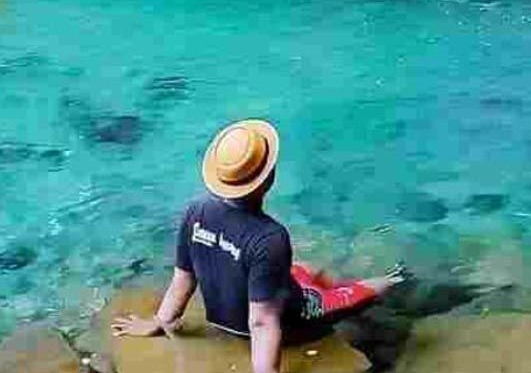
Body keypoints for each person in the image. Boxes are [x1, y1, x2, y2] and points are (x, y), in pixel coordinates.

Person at [111, 119, 408, 373]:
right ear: (268, 180)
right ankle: (400, 278)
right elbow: (263, 323)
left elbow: (183, 278)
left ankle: (323, 285)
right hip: (291, 317)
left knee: (304, 270)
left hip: (226, 315)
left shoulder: (196, 210)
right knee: (361, 291)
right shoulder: (270, 237)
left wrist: (160, 321)